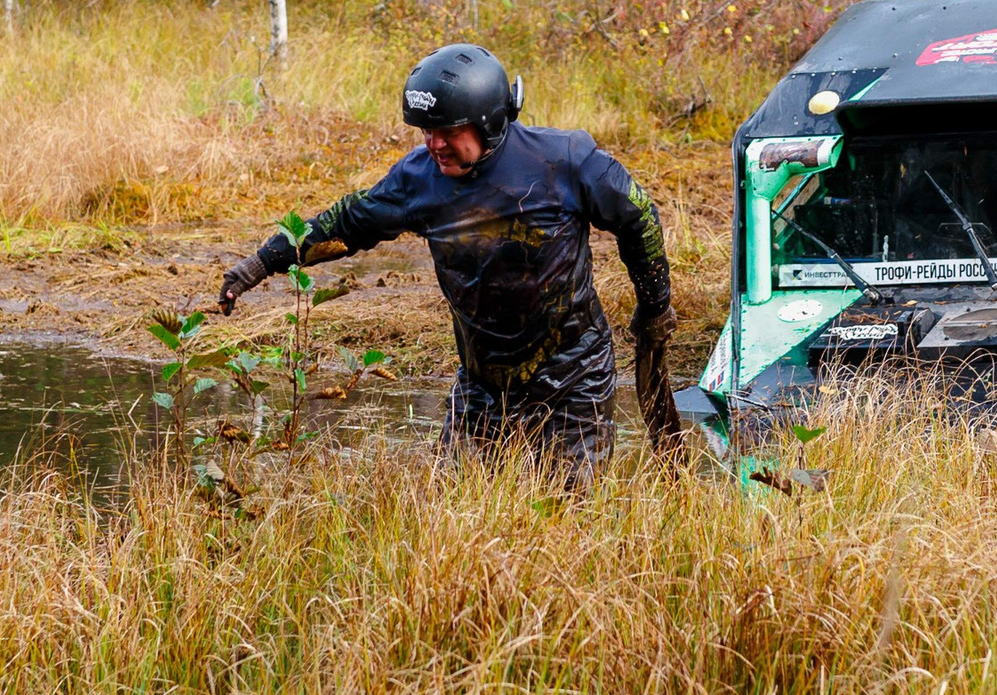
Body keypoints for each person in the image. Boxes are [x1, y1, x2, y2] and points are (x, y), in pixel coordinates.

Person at [219, 43, 683, 480]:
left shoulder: (566, 161)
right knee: (459, 500)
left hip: (572, 377)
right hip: (481, 386)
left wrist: (655, 307)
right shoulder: (418, 179)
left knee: (566, 510)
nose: (434, 145)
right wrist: (259, 264)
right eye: (426, 131)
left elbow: (638, 216)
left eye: (448, 132)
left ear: (489, 123)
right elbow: (346, 223)